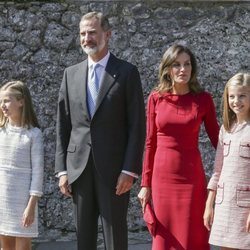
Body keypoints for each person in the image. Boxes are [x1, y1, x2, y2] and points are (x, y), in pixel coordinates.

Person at [55, 12, 146, 250]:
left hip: (115, 171)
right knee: (83, 238)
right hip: (79, 169)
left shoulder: (127, 73)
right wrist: (62, 170)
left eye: (92, 32)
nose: (87, 38)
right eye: (83, 34)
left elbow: (137, 125)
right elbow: (62, 125)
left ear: (107, 34)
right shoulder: (70, 74)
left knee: (115, 237)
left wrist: (129, 169)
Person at [138, 44, 220, 250]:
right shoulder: (156, 98)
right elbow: (150, 143)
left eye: (187, 64)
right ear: (167, 69)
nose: (183, 69)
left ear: (192, 69)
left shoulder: (203, 99)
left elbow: (217, 139)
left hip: (192, 179)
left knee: (194, 234)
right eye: (176, 65)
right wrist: (145, 184)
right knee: (164, 237)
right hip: (162, 179)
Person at [204, 72, 250, 250]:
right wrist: (209, 204)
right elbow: (217, 170)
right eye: (231, 96)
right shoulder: (226, 128)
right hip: (225, 204)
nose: (236, 101)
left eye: (242, 96)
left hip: (245, 206)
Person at [0, 80, 44, 250]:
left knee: (23, 246)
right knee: (5, 246)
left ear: (21, 101)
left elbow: (37, 173)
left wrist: (31, 206)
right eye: (1, 101)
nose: (3, 105)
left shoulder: (33, 135)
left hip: (23, 202)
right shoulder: (1, 133)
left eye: (7, 100)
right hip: (2, 199)